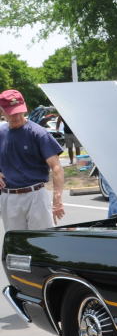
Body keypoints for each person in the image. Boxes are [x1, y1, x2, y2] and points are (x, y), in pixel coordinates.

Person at [0, 89, 65, 230]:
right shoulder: (1, 134)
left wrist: (57, 198)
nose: (17, 116)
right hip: (9, 198)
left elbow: (56, 167)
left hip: (36, 196)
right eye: (12, 113)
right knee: (16, 242)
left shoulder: (38, 133)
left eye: (19, 111)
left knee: (42, 240)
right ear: (2, 111)